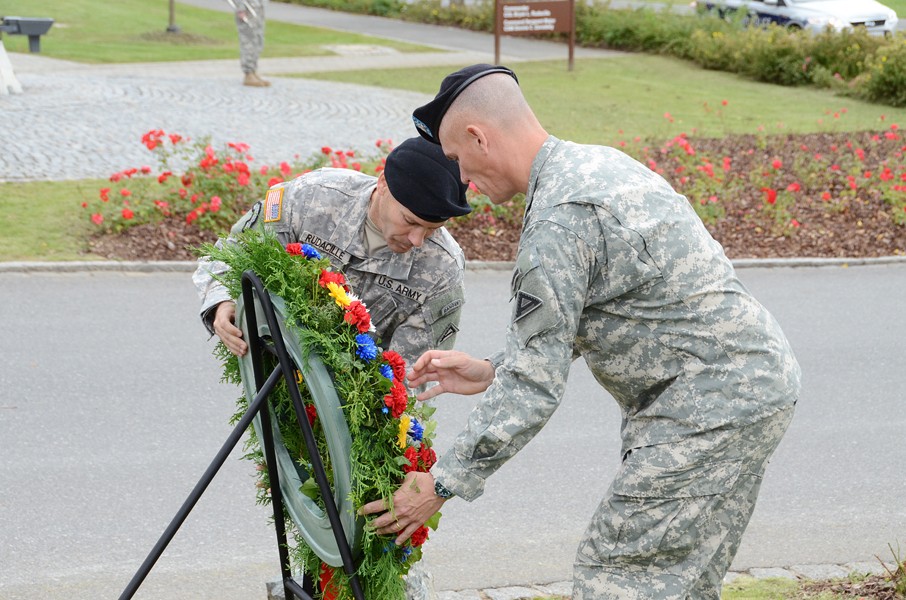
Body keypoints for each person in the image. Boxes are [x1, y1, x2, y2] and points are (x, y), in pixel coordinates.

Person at [361, 64, 802, 600]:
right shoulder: (595, 165)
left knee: (619, 574)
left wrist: (442, 482)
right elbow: (615, 300)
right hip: (745, 388)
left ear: (479, 136)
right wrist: (493, 368)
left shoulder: (558, 219)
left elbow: (535, 387)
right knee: (677, 582)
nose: (462, 178)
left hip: (707, 409)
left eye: (457, 158)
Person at [193, 136, 472, 600]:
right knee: (301, 510)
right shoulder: (311, 199)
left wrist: (377, 451)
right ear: (382, 183)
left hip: (358, 408)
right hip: (281, 381)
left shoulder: (441, 268)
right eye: (411, 221)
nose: (418, 239)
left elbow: (405, 380)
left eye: (432, 228)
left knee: (361, 534)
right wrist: (221, 302)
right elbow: (229, 255)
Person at [232, 0, 269, 87]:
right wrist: (240, 8)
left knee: (258, 39)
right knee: (248, 41)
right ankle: (248, 73)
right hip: (247, 7)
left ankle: (253, 70)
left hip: (258, 6)